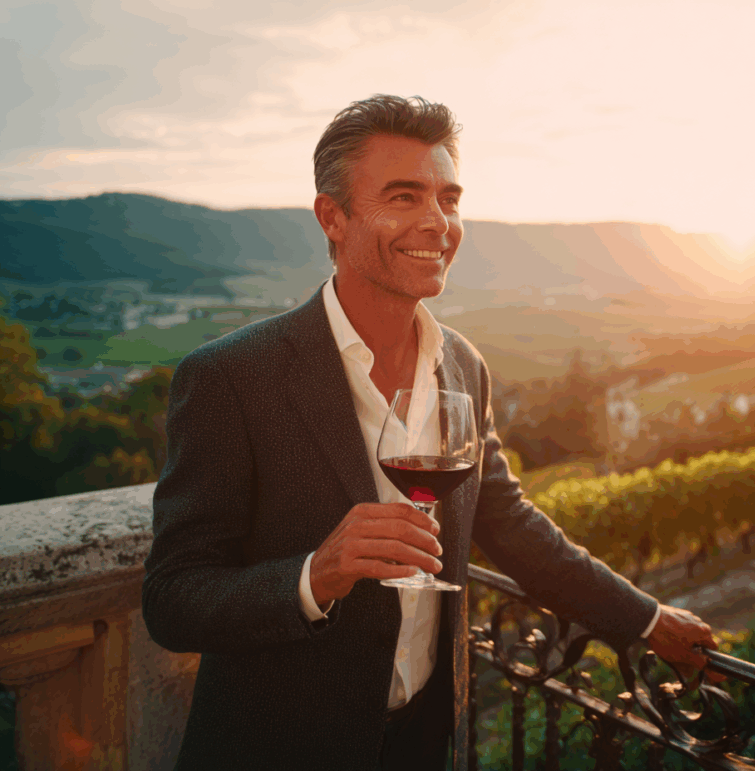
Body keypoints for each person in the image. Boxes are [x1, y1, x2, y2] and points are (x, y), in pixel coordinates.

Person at [142, 95, 723, 771]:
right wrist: (314, 576)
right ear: (334, 217)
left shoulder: (464, 366)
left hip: (423, 742)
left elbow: (509, 523)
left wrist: (646, 619)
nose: (437, 222)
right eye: (403, 196)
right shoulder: (231, 378)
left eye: (448, 198)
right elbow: (173, 599)